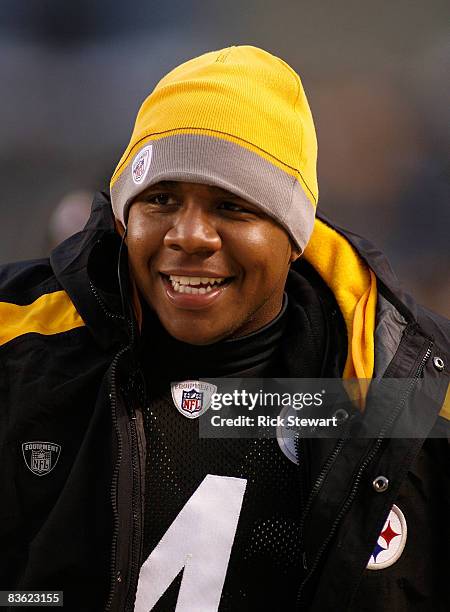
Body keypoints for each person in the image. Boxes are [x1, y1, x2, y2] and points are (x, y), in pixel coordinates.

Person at [0, 46, 448, 612]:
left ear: (296, 237)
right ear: (121, 218)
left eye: (232, 207)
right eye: (160, 199)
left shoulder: (411, 392)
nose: (190, 235)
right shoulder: (15, 346)